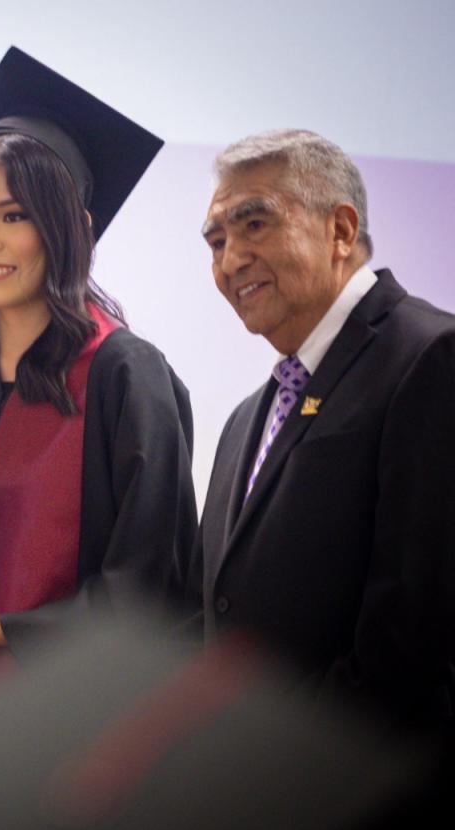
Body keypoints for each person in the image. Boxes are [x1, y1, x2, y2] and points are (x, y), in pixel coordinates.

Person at [0, 48, 197, 734]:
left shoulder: (122, 373)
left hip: (78, 737)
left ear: (70, 226)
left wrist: (1, 632)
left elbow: (153, 592)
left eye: (13, 215)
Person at [193, 129, 455, 725]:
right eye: (217, 241)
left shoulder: (431, 357)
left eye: (254, 224)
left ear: (340, 230)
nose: (231, 261)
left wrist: (277, 755)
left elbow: (409, 640)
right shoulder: (244, 421)